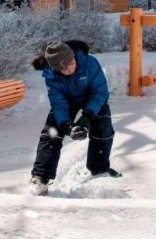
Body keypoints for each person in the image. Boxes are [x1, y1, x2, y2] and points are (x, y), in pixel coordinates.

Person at [29, 40, 119, 195]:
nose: (70, 69)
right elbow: (58, 102)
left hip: (92, 98)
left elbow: (100, 92)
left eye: (71, 63)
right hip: (67, 101)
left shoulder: (90, 63)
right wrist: (67, 126)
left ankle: (99, 170)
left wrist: (87, 118)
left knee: (103, 127)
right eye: (64, 68)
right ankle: (40, 177)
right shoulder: (51, 74)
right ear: (56, 68)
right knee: (51, 132)